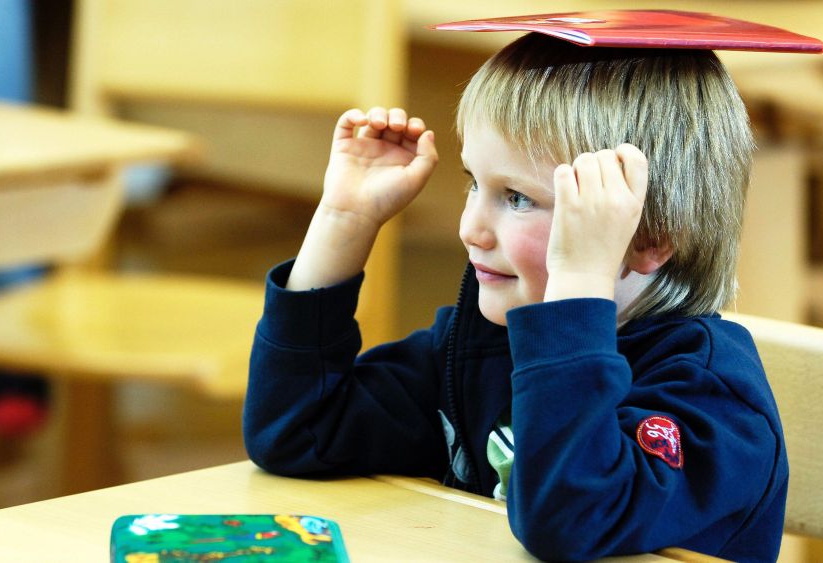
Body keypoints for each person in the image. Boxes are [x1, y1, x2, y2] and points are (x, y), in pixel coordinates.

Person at [244, 33, 787, 562]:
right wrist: (345, 220)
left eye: (518, 198)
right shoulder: (479, 345)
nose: (471, 228)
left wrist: (577, 284)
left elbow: (569, 522)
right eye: (473, 184)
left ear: (647, 238)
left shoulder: (710, 399)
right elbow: (298, 431)